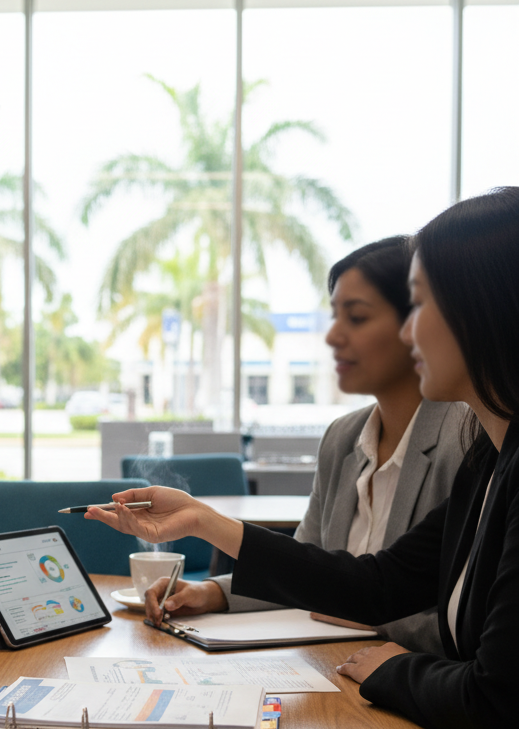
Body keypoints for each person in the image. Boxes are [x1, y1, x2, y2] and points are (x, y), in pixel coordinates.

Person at [88, 187, 519, 729]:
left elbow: (499, 700)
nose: (412, 328)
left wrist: (387, 666)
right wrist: (210, 525)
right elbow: (376, 581)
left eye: (419, 303)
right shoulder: (491, 461)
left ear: (485, 306)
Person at [156, 236, 466, 655]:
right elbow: (308, 568)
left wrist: (372, 619)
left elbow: (465, 620)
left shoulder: (466, 438)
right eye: (334, 316)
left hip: (405, 685)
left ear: (418, 322)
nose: (333, 336)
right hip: (331, 665)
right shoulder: (343, 437)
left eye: (356, 317)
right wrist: (215, 593)